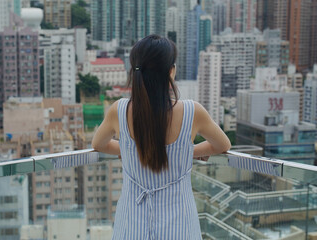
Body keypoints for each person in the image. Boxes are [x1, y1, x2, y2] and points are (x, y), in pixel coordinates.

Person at [91, 35, 231, 239]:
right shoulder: (192, 112)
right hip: (180, 225)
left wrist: (135, 151)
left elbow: (99, 144)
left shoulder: (119, 110)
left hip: (132, 224)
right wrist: (188, 152)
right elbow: (222, 144)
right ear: (170, 71)